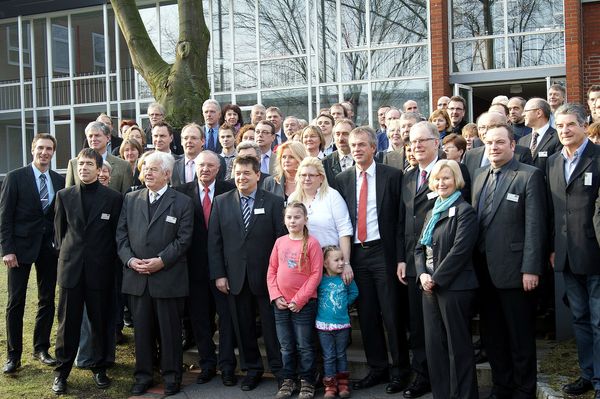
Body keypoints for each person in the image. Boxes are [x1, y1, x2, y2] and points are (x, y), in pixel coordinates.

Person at [472, 123, 546, 399]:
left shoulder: (529, 176)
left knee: (520, 337)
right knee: (493, 337)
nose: (494, 147)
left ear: (512, 145)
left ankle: (524, 389)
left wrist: (531, 268)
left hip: (516, 272)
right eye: (489, 143)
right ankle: (501, 386)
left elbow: (535, 226)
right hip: (483, 272)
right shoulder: (479, 176)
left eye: (500, 142)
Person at [335, 126, 411, 395]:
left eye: (362, 145)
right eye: (353, 145)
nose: (356, 149)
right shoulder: (342, 179)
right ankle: (378, 369)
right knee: (366, 316)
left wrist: (401, 257)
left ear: (373, 148)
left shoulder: (392, 176)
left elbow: (401, 220)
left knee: (391, 314)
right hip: (357, 254)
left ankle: (401, 371)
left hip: (384, 253)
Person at [117, 151, 194, 396]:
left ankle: (172, 377)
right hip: (137, 278)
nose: (147, 173)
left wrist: (161, 261)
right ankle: (143, 376)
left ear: (167, 174)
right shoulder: (130, 199)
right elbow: (121, 236)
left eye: (152, 169)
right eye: (144, 169)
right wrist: (130, 261)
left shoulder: (182, 202)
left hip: (168, 278)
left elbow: (184, 240)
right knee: (142, 332)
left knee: (170, 332)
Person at [208, 155, 286, 392]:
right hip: (235, 278)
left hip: (267, 278)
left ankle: (280, 370)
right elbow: (215, 241)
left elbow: (280, 240)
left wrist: (279, 275)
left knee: (272, 328)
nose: (241, 177)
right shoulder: (221, 202)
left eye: (246, 173)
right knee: (243, 327)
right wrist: (219, 274)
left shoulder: (273, 201)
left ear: (257, 175)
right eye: (238, 173)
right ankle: (252, 369)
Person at [51, 148, 122, 395]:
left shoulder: (113, 199)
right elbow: (59, 236)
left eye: (89, 164)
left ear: (99, 168)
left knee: (100, 322)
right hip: (71, 271)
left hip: (100, 272)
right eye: (81, 164)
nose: (84, 168)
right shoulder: (64, 195)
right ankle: (61, 372)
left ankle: (100, 367)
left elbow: (115, 237)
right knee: (66, 325)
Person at [547, 104, 600, 398]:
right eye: (560, 126)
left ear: (583, 125)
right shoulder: (553, 162)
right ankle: (588, 375)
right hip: (566, 255)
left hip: (595, 253)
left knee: (599, 320)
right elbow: (552, 210)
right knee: (579, 318)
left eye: (570, 125)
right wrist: (553, 248)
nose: (564, 131)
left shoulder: (598, 158)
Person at [414, 160, 479, 399]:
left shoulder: (465, 211)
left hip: (455, 287)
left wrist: (436, 278)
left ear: (457, 181)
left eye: (447, 178)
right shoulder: (432, 212)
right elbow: (419, 248)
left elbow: (461, 251)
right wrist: (422, 274)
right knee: (435, 347)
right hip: (428, 286)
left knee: (457, 347)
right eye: (438, 179)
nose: (441, 183)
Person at [1, 133, 65, 374]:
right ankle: (13, 355)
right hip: (19, 250)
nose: (44, 153)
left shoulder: (59, 181)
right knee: (15, 302)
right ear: (32, 150)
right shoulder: (15, 177)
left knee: (47, 299)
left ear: (53, 152)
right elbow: (4, 217)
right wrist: (7, 250)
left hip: (48, 250)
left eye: (49, 149)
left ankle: (41, 348)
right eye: (40, 148)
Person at [174, 151, 238, 386]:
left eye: (211, 165)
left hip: (224, 267)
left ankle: (228, 365)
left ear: (219, 168)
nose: (205, 169)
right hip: (194, 268)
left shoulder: (230, 190)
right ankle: (207, 364)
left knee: (227, 319)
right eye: (201, 165)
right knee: (200, 319)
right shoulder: (181, 192)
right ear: (195, 167)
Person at [267, 202, 323, 399]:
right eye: (289, 217)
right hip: (281, 304)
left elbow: (316, 274)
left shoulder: (313, 243)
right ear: (284, 220)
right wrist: (276, 295)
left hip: (304, 305)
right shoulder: (280, 242)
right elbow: (272, 270)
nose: (293, 221)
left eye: (297, 217)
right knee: (286, 345)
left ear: (305, 220)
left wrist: (300, 299)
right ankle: (288, 379)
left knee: (305, 346)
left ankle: (307, 381)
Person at [289, 157, 354, 280]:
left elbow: (344, 230)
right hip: (303, 263)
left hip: (329, 265)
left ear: (321, 178)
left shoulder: (332, 196)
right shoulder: (293, 198)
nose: (307, 179)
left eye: (311, 175)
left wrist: (346, 263)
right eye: (303, 175)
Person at [317, 245, 359, 399]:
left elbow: (354, 292)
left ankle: (343, 384)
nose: (341, 263)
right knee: (328, 355)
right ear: (326, 263)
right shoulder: (320, 280)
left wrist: (343, 304)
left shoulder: (345, 278)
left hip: (342, 325)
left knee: (341, 354)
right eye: (337, 260)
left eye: (342, 259)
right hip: (323, 326)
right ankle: (330, 385)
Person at [66, 121, 133, 194]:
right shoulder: (74, 163)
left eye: (97, 135)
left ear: (108, 138)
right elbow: (68, 194)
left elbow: (126, 198)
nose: (93, 139)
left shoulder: (123, 166)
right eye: (90, 136)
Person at [322, 119, 355, 189]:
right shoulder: (325, 163)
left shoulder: (363, 160)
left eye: (345, 134)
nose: (340, 139)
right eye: (337, 134)